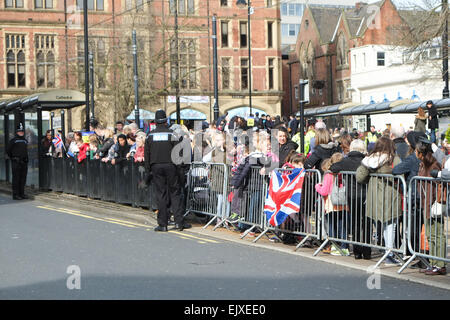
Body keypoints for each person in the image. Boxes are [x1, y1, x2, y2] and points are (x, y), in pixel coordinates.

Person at [356, 136, 402, 265]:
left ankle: (386, 252)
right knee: (391, 226)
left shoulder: (368, 159)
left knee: (379, 224)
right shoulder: (394, 159)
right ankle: (389, 254)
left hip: (373, 195)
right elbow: (401, 175)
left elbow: (360, 177)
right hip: (390, 195)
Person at [144, 109, 190, 232]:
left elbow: (147, 154)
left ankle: (163, 224)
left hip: (156, 167)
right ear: (165, 121)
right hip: (171, 166)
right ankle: (179, 223)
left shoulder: (150, 135)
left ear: (156, 122)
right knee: (175, 194)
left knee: (161, 195)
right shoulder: (173, 135)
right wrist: (180, 168)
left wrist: (148, 170)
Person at [330, 139, 371, 260]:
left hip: (352, 195)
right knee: (367, 223)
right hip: (366, 194)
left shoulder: (345, 161)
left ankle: (357, 251)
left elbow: (333, 167)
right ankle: (367, 252)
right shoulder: (366, 161)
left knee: (355, 223)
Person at [416, 139, 447, 275]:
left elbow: (437, 187)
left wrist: (435, 202)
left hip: (434, 204)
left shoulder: (434, 165)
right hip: (426, 203)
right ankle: (434, 263)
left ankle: (440, 264)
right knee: (430, 234)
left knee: (437, 234)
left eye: (416, 151)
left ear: (421, 153)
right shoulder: (423, 164)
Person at [315, 153, 349, 256]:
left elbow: (324, 191)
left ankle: (334, 246)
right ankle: (345, 247)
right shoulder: (345, 173)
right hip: (343, 204)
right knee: (342, 226)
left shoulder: (329, 174)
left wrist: (317, 186)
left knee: (331, 225)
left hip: (331, 204)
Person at [7, 123, 29, 200]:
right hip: (16, 162)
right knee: (16, 178)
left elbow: (26, 151)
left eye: (22, 131)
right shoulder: (13, 141)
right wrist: (13, 158)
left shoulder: (25, 140)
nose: (21, 132)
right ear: (16, 132)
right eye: (19, 131)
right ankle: (15, 194)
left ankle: (22, 193)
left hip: (24, 162)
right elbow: (8, 151)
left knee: (23, 178)